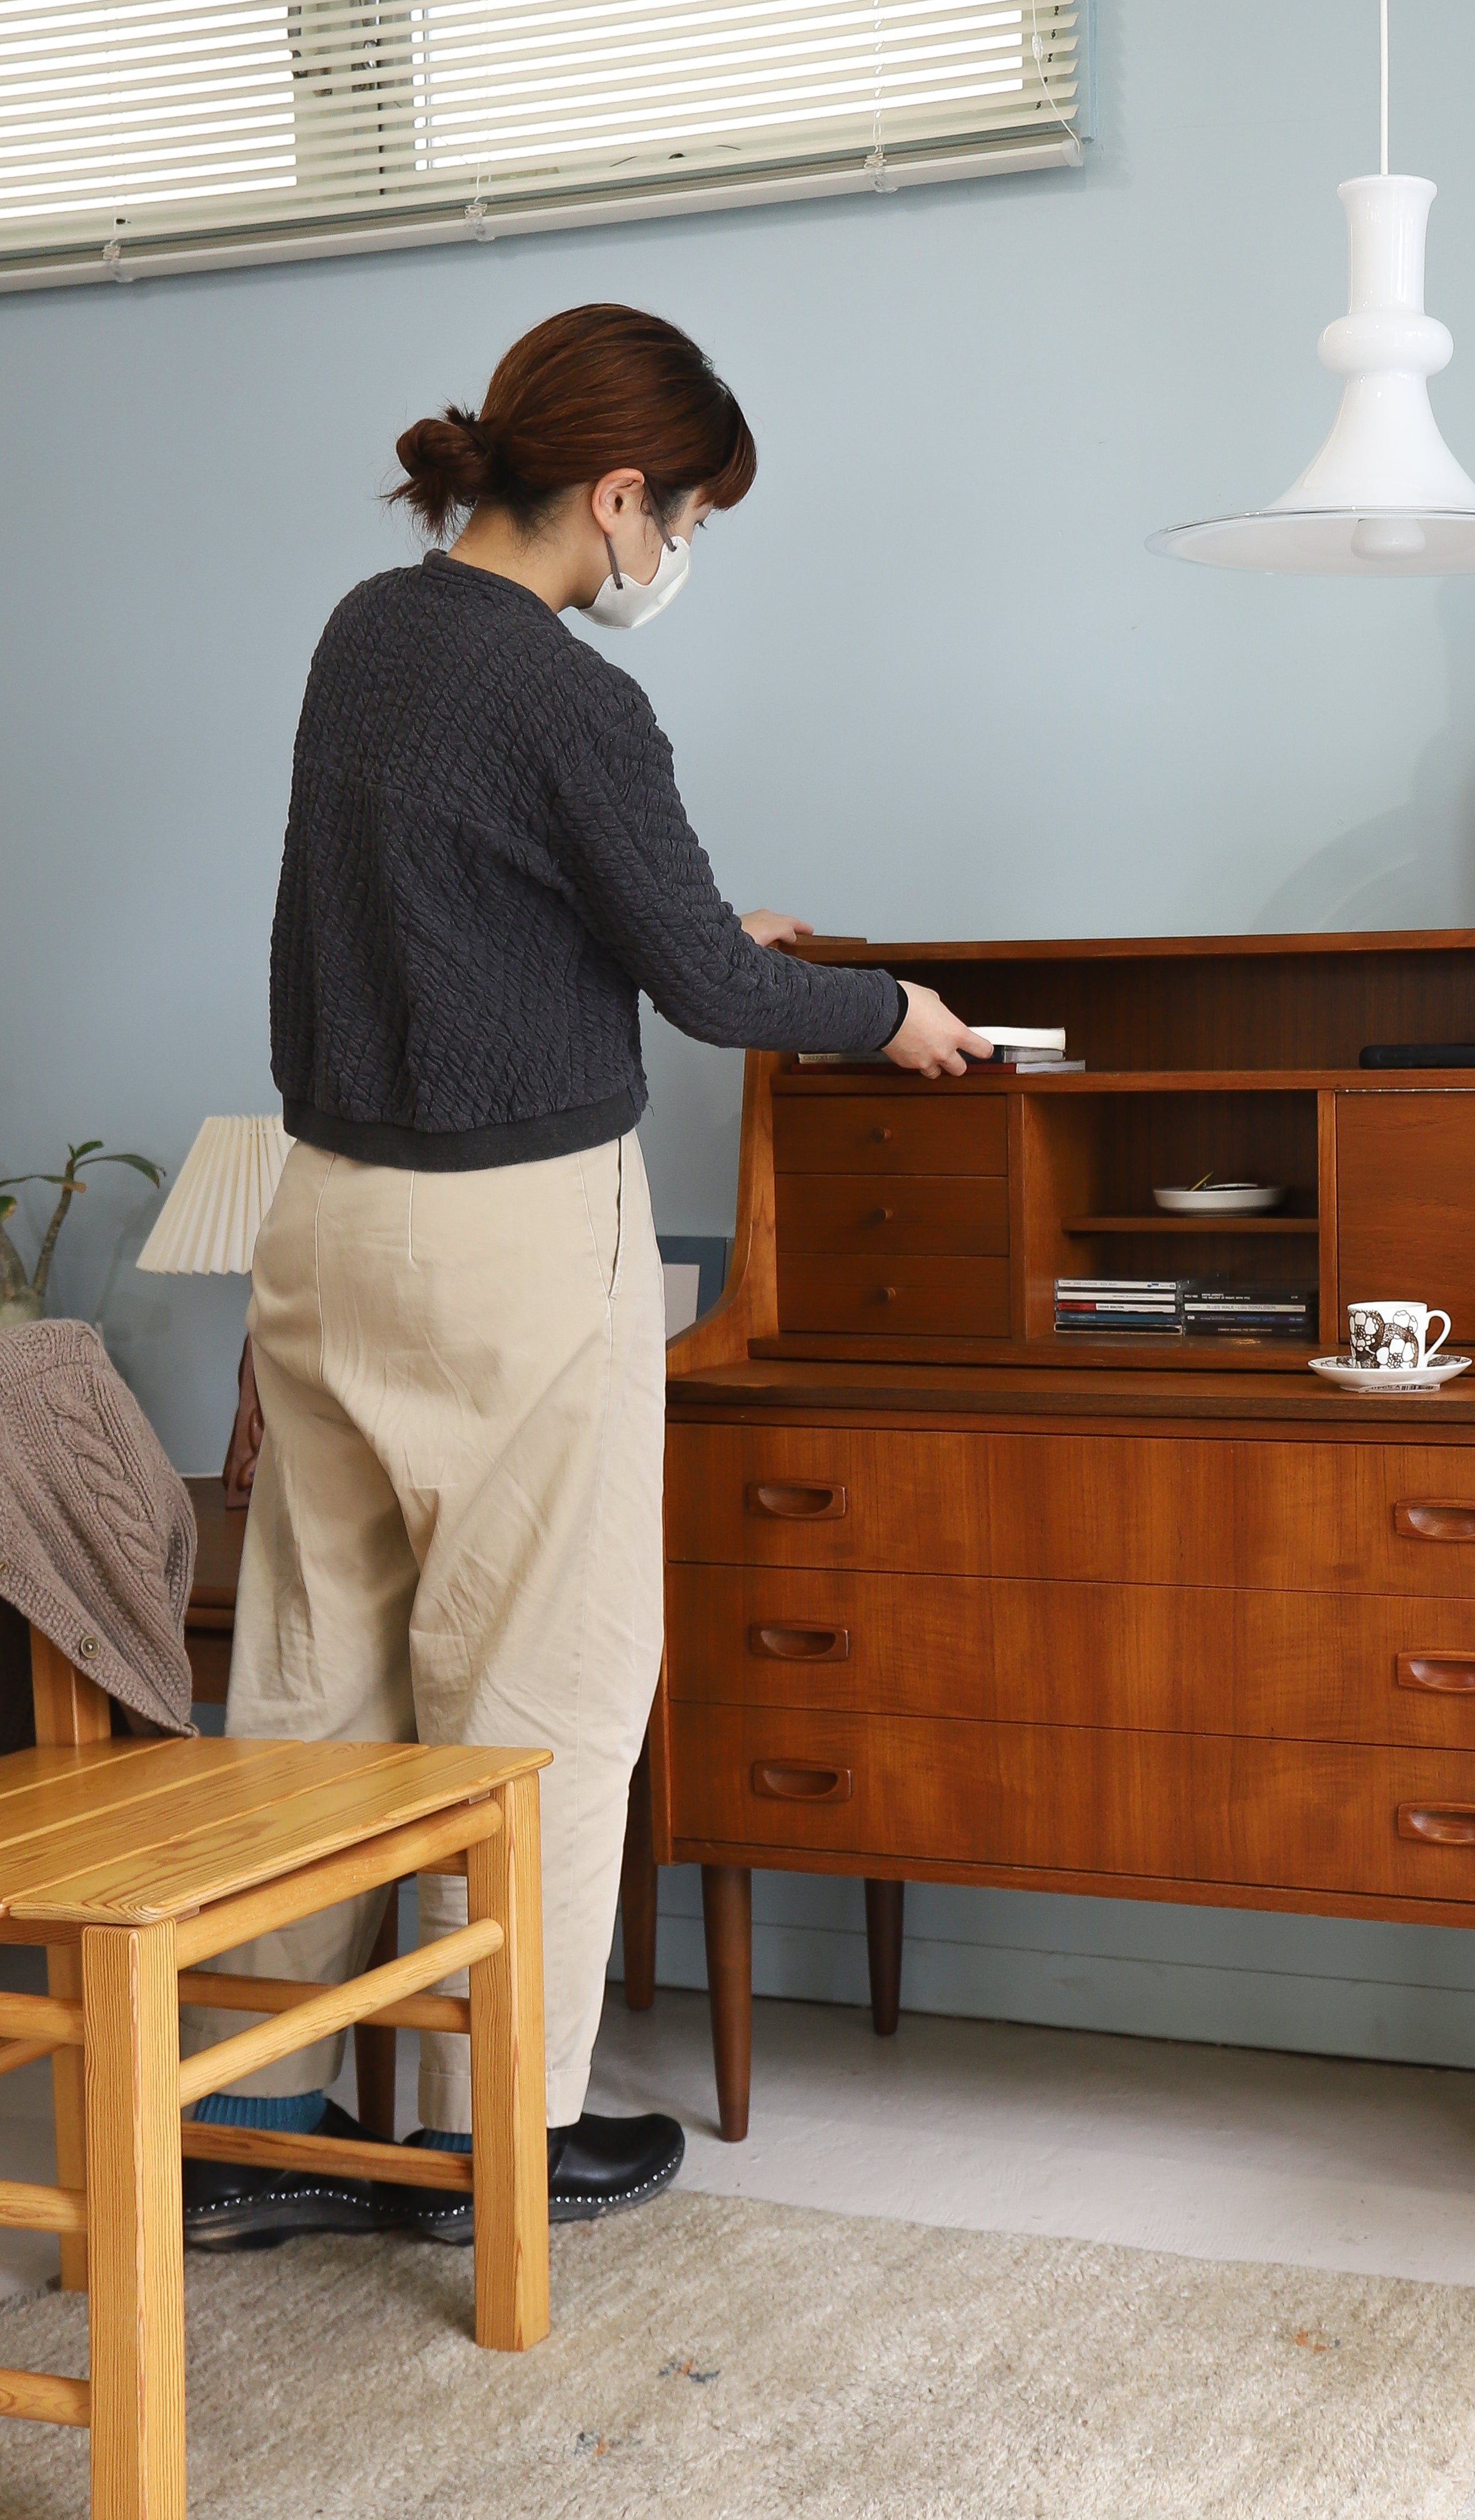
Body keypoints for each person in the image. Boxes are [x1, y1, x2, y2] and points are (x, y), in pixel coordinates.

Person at [180, 302, 986, 2249]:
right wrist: (887, 1015)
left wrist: (705, 921)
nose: (678, 551)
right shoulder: (572, 695)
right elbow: (709, 993)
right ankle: (497, 2141)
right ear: (617, 495)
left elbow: (469, 904)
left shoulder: (369, 632)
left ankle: (255, 2120)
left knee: (317, 1676)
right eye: (685, 512)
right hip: (513, 1248)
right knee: (533, 1691)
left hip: (324, 1220)